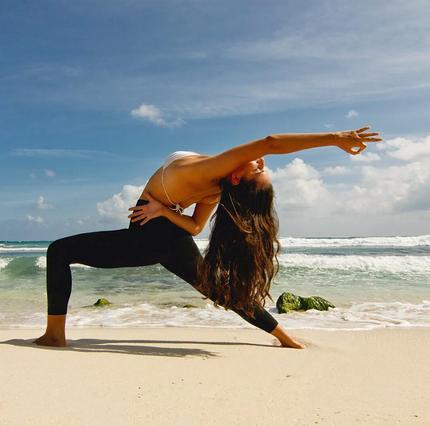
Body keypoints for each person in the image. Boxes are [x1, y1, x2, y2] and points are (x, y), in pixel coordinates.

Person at [34, 126, 381, 349]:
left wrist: (335, 138)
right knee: (222, 290)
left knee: (58, 250)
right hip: (164, 238)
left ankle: (54, 336)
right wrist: (167, 213)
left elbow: (271, 142)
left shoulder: (215, 176)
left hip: (150, 235)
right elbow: (197, 228)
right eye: (261, 166)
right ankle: (285, 337)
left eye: (258, 169)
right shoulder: (217, 186)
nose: (258, 161)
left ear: (235, 179)